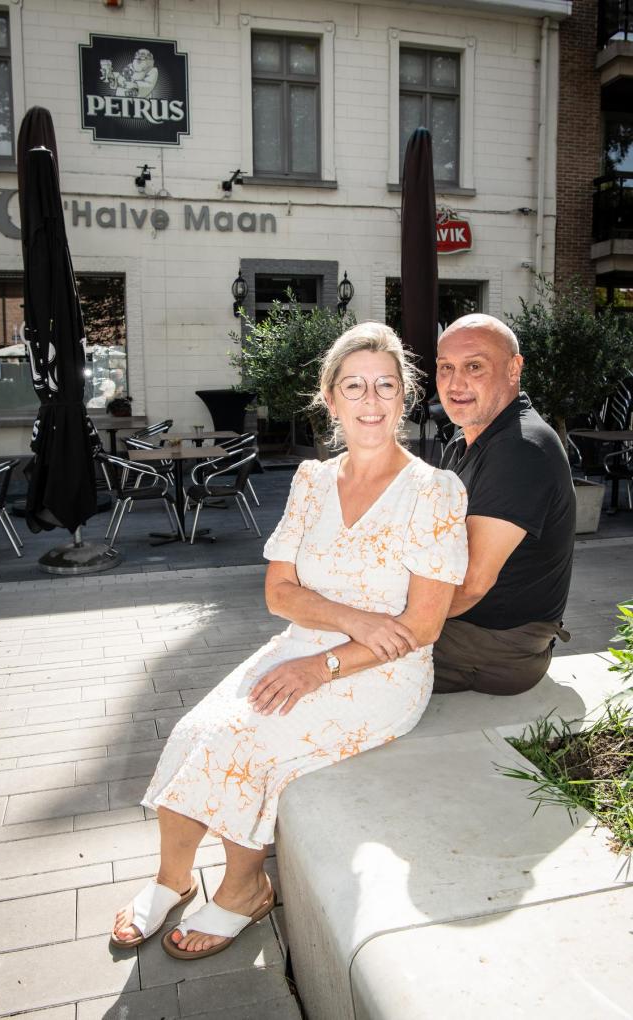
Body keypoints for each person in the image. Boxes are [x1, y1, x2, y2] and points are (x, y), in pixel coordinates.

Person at [111, 322, 468, 959]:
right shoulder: (311, 480)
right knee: (195, 728)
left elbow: (420, 627)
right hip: (304, 643)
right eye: (354, 386)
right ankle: (170, 880)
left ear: (404, 399)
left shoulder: (433, 491)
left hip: (384, 673)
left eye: (386, 386)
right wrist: (351, 620)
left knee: (247, 737)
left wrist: (326, 664)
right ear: (330, 399)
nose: (371, 400)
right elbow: (280, 593)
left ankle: (245, 888)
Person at [431, 313, 575, 696]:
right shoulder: (465, 443)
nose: (455, 383)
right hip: (470, 630)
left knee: (339, 654)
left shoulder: (520, 447)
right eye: (445, 368)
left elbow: (473, 585)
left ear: (514, 369)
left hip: (494, 646)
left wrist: (388, 619)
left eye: (474, 366)